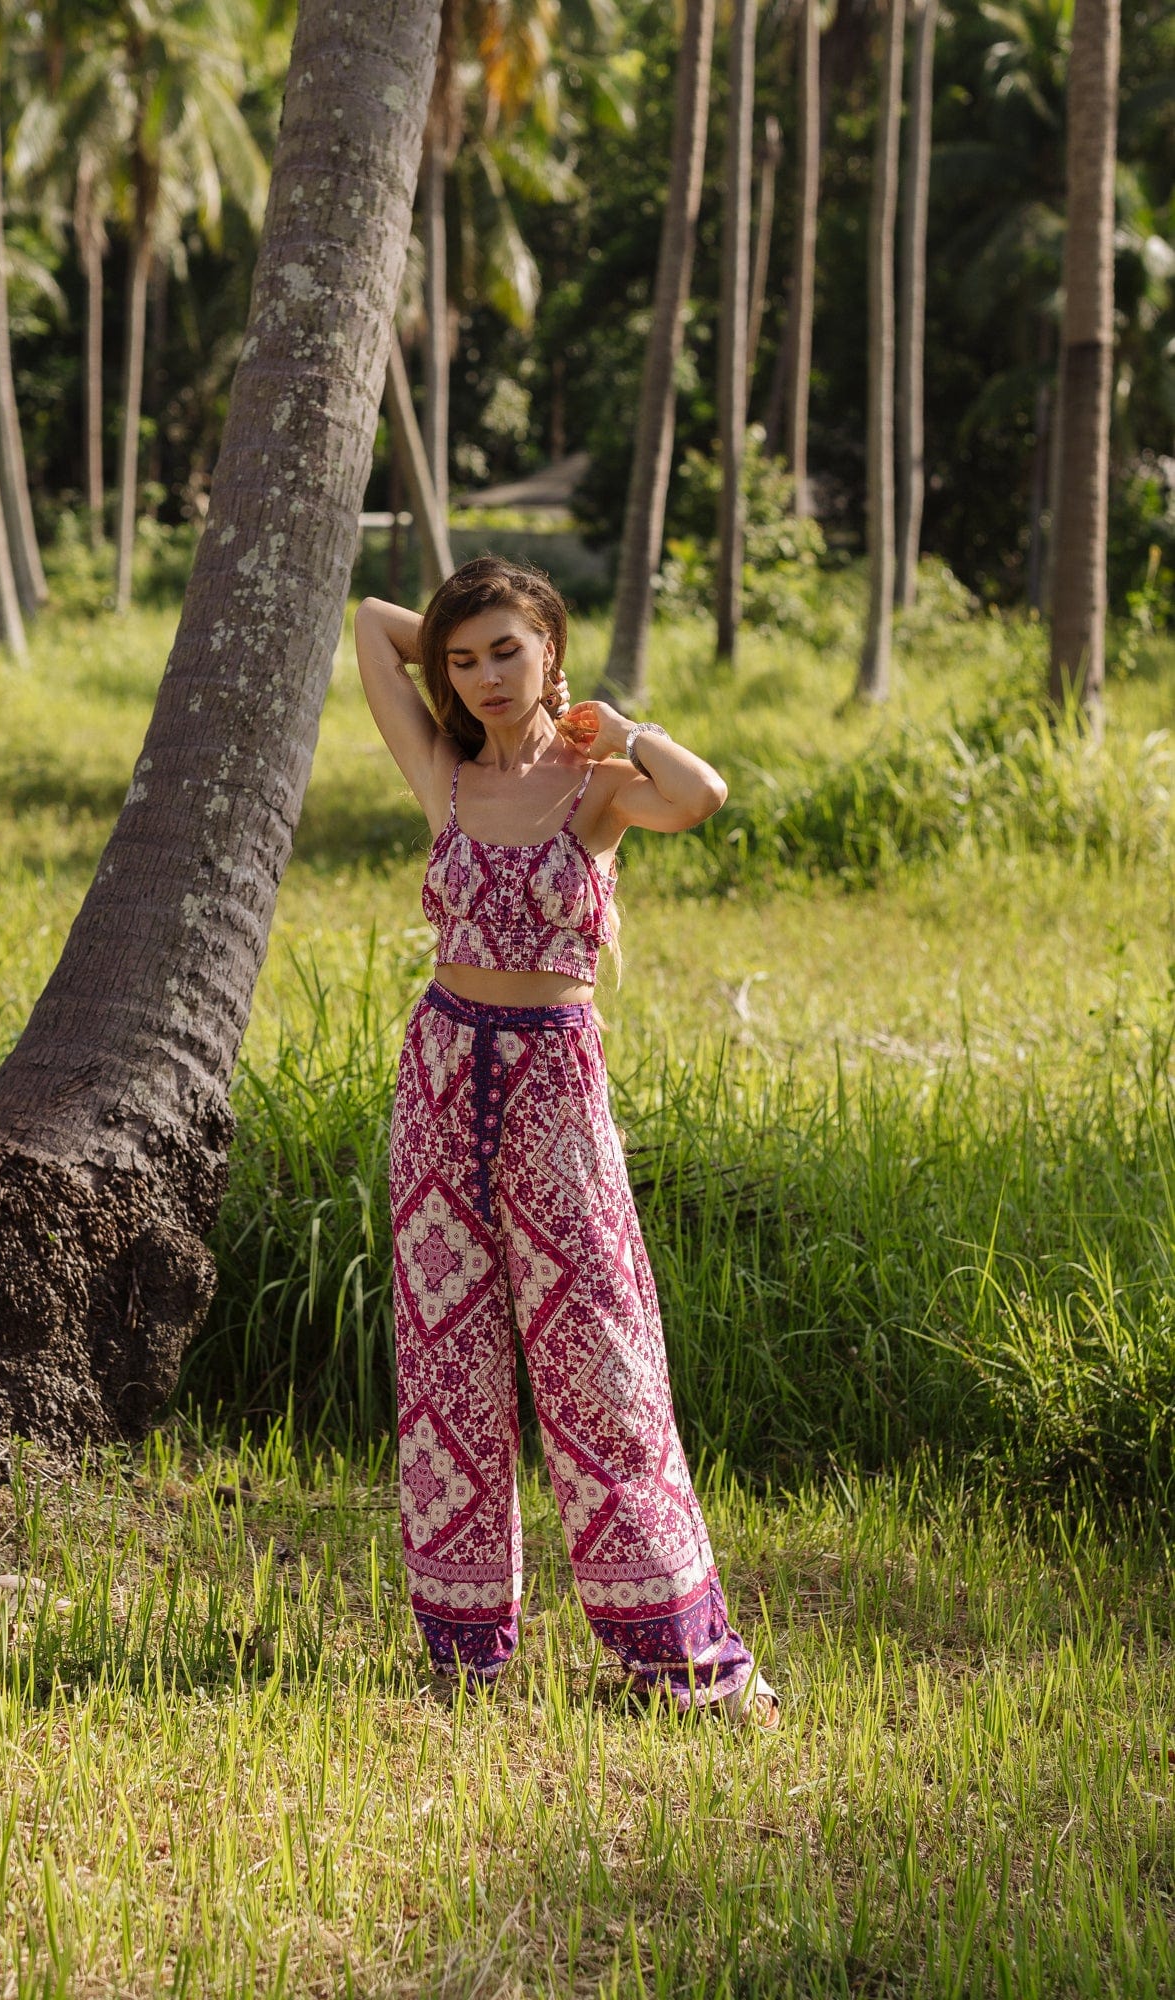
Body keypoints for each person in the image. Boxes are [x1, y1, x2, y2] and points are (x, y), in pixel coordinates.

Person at [355, 556, 777, 1722]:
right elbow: (368, 622)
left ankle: (681, 1659)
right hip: (440, 1075)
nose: (485, 675)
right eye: (463, 657)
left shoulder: (596, 784)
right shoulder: (443, 771)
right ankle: (462, 1653)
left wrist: (618, 724)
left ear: (551, 649)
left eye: (507, 649)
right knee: (449, 1367)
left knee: (600, 1362)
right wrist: (446, 626)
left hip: (551, 1081)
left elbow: (702, 794)